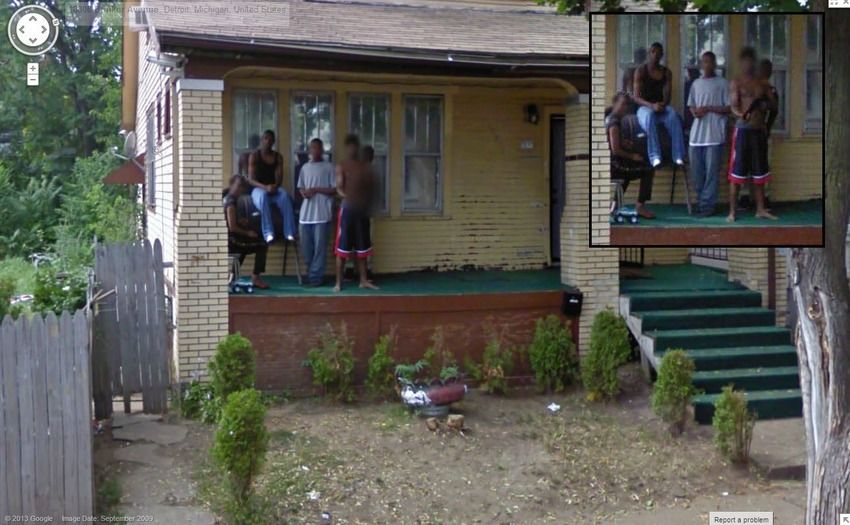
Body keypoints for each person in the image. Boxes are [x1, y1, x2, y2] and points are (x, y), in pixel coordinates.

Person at [727, 47, 778, 222]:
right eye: (745, 61)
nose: (748, 64)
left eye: (751, 61)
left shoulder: (762, 83)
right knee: (737, 174)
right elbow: (733, 106)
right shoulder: (737, 82)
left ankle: (760, 209)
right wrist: (740, 114)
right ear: (741, 62)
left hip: (758, 131)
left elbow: (774, 105)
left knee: (760, 173)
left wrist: (765, 106)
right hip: (742, 130)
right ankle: (732, 212)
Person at [687, 51, 730, 218]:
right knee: (697, 174)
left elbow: (729, 108)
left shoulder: (723, 83)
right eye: (704, 62)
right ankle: (701, 202)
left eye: (710, 62)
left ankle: (707, 207)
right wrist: (695, 112)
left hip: (714, 136)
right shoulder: (696, 84)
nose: (707, 65)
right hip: (696, 137)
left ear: (715, 64)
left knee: (712, 174)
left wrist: (709, 108)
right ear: (701, 64)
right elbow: (691, 105)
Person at [334, 134, 378, 292]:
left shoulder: (363, 166)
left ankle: (363, 280)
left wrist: (366, 202)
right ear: (347, 148)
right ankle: (338, 283)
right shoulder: (342, 166)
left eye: (355, 147)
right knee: (342, 249)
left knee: (362, 248)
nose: (352, 149)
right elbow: (339, 188)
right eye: (350, 147)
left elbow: (370, 187)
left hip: (362, 211)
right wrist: (347, 196)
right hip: (347, 210)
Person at [633, 42, 686, 168]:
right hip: (644, 108)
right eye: (653, 51)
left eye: (658, 52)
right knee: (650, 116)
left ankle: (678, 156)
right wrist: (651, 106)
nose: (655, 55)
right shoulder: (641, 71)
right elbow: (636, 98)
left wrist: (663, 104)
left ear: (662, 55)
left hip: (660, 108)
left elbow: (667, 96)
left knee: (673, 115)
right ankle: (655, 157)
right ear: (649, 53)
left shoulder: (666, 72)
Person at [606, 92, 655, 219]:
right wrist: (632, 156)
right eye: (622, 104)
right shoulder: (613, 122)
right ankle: (640, 206)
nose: (625, 107)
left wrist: (624, 142)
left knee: (628, 173)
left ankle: (615, 205)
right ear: (615, 104)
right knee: (648, 170)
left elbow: (611, 141)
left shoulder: (611, 118)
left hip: (613, 164)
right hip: (614, 166)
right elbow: (615, 150)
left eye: (627, 105)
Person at [297, 138, 336, 287]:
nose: (315, 150)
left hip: (322, 215)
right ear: (309, 150)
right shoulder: (305, 167)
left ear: (322, 150)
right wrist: (304, 193)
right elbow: (301, 187)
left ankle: (316, 278)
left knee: (320, 249)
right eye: (312, 148)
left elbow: (334, 189)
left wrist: (316, 189)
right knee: (307, 249)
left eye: (318, 148)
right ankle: (311, 272)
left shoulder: (329, 167)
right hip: (305, 215)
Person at [247, 130, 297, 243]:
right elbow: (251, 180)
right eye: (266, 138)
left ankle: (289, 232)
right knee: (263, 196)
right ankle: (268, 233)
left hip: (273, 189)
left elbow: (279, 178)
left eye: (270, 139)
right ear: (262, 140)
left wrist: (274, 186)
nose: (268, 141)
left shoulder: (278, 157)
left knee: (285, 196)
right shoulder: (254, 156)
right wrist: (265, 187)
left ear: (273, 141)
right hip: (258, 189)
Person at [224, 175, 269, 289]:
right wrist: (248, 233)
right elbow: (232, 227)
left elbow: (231, 220)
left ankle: (233, 277)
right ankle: (255, 278)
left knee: (244, 248)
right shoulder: (230, 202)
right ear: (231, 185)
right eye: (238, 186)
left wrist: (241, 221)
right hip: (231, 240)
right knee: (262, 245)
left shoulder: (228, 197)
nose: (240, 189)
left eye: (242, 187)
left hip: (230, 239)